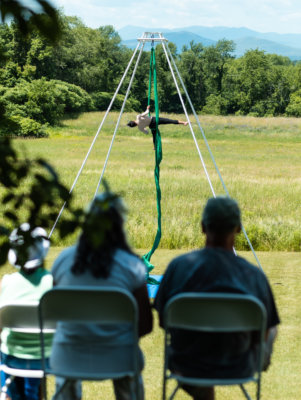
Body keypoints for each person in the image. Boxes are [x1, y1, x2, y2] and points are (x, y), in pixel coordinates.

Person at [154, 196, 280, 400]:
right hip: (239, 366)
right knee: (271, 326)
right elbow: (262, 333)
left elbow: (163, 322)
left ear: (203, 227)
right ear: (238, 229)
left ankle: (201, 390)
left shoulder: (178, 268)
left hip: (186, 364)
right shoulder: (254, 276)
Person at [50, 188, 153, 400]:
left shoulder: (63, 260)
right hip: (120, 357)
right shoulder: (133, 266)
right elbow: (144, 325)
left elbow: (53, 315)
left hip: (68, 356)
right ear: (119, 225)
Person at [0, 223, 53, 400]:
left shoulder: (7, 282)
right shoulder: (53, 283)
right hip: (46, 360)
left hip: (11, 359)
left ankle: (7, 393)